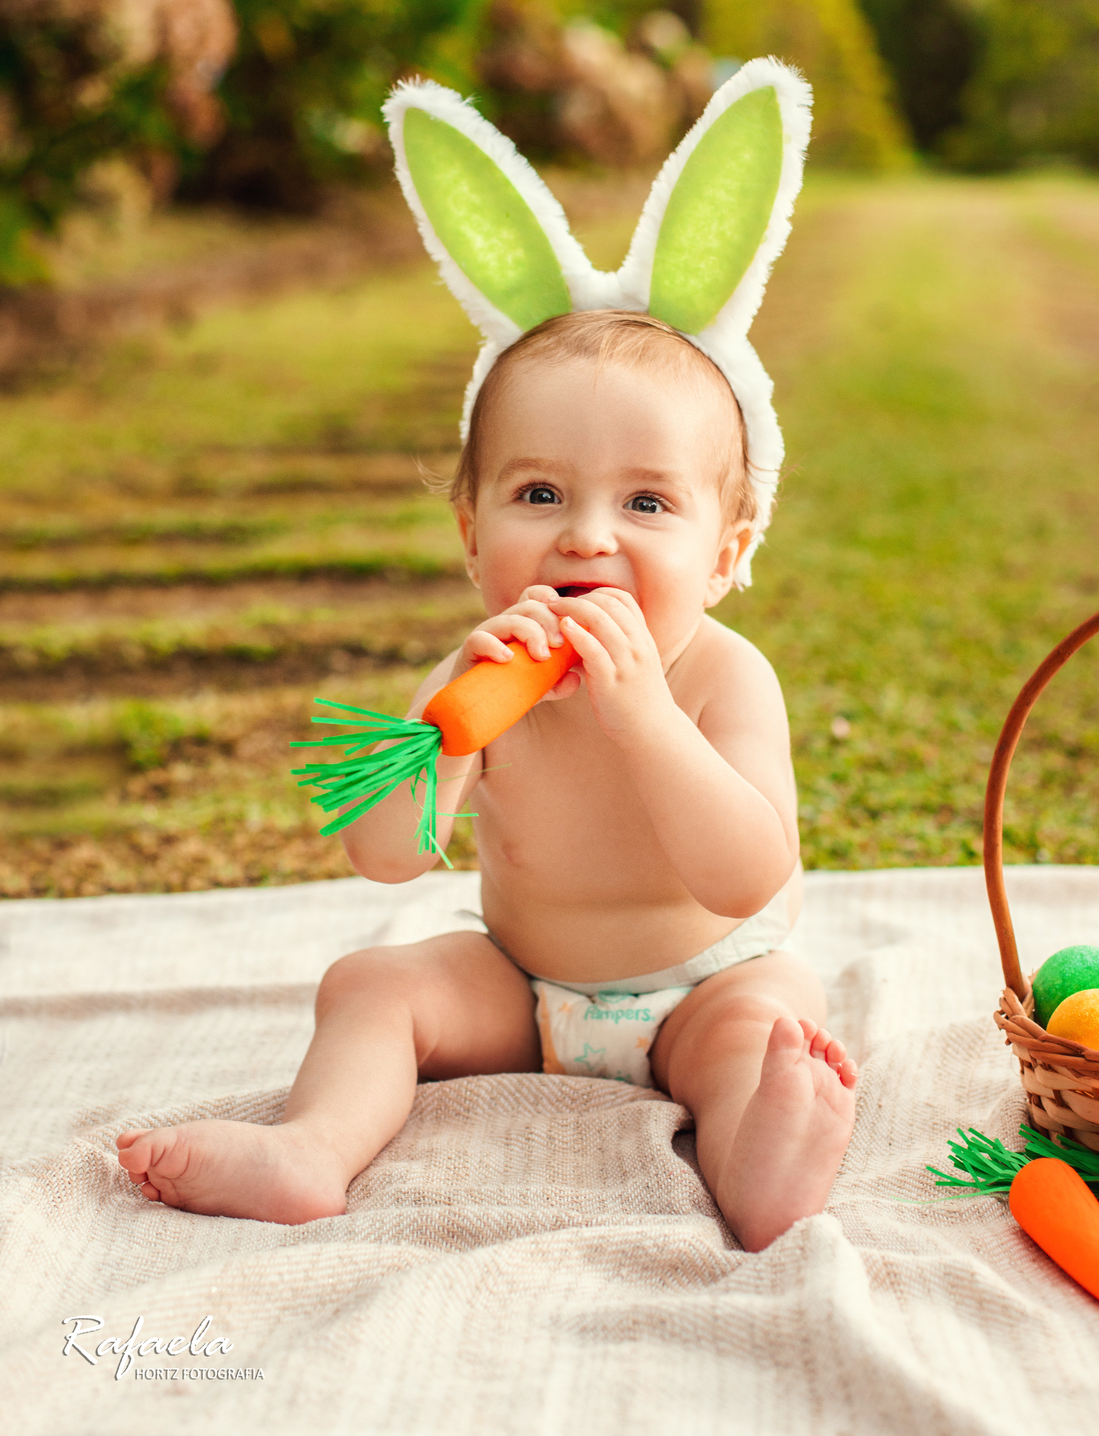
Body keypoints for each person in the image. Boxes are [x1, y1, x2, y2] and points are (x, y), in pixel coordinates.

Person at [117, 63, 858, 1252]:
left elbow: (747, 875)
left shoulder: (725, 680)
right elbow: (386, 858)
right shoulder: (474, 678)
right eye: (540, 493)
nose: (587, 536)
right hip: (521, 987)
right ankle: (311, 1151)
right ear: (473, 535)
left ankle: (759, 1164)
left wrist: (645, 721)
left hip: (704, 979)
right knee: (371, 984)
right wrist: (452, 741)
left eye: (647, 504)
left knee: (766, 1026)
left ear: (728, 553)